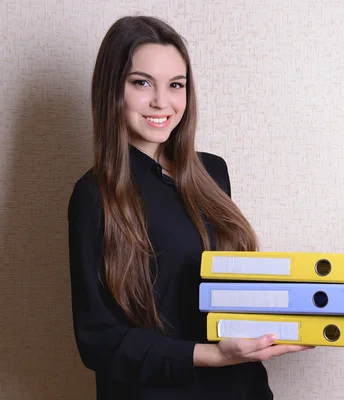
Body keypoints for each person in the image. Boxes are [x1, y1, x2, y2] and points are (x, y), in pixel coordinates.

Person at [67, 15, 312, 399]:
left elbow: (228, 284)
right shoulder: (93, 194)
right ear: (112, 89)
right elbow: (98, 340)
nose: (161, 101)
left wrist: (304, 314)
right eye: (141, 82)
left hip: (241, 388)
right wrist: (209, 355)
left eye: (175, 85)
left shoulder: (212, 171)